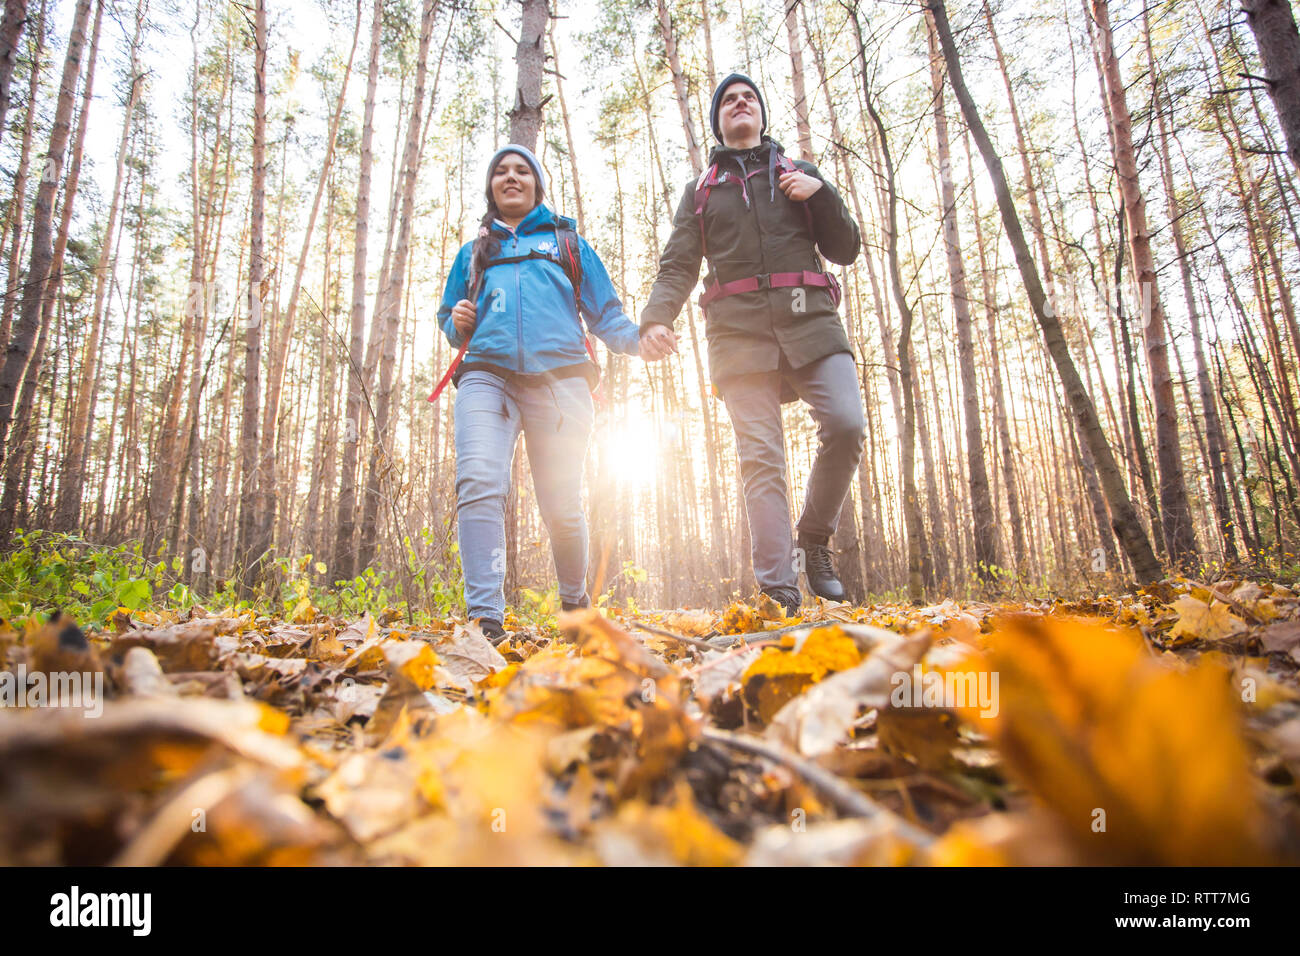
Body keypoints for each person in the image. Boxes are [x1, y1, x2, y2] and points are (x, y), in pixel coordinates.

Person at [639, 73, 864, 616]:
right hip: (738, 335)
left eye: (750, 99)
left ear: (761, 115)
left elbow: (846, 248)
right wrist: (655, 318)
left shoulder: (799, 174)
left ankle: (813, 539)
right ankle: (778, 588)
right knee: (761, 457)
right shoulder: (701, 191)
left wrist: (824, 194)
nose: (740, 105)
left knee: (847, 424)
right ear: (718, 121)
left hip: (810, 320)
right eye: (729, 101)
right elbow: (678, 266)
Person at [437, 144, 673, 643]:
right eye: (500, 171)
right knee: (479, 482)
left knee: (561, 502)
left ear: (538, 184)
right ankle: (485, 620)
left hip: (562, 381)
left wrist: (640, 341)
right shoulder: (473, 252)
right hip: (486, 376)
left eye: (522, 170)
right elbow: (450, 320)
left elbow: (606, 315)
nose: (511, 177)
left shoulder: (569, 244)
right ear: (491, 188)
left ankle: (574, 605)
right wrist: (457, 322)